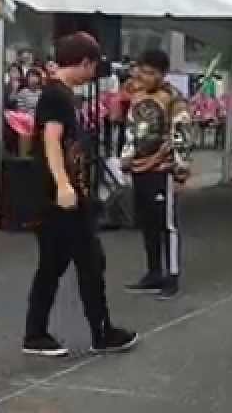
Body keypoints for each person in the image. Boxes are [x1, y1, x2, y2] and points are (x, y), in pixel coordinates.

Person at [23, 32, 138, 357]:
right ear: (85, 62)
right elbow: (51, 140)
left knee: (54, 265)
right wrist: (63, 184)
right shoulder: (56, 96)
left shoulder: (60, 94)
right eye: (93, 65)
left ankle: (37, 333)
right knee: (88, 262)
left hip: (65, 194)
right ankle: (100, 332)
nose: (94, 72)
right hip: (62, 197)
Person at [121, 49, 193, 300]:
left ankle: (171, 277)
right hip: (140, 169)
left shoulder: (173, 99)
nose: (144, 77)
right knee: (147, 222)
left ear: (162, 75)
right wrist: (127, 159)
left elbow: (182, 134)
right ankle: (153, 273)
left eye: (150, 73)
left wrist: (180, 168)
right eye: (142, 71)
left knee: (166, 225)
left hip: (163, 170)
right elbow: (131, 131)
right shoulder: (137, 96)